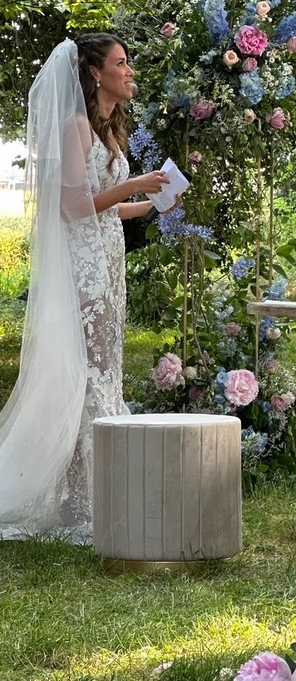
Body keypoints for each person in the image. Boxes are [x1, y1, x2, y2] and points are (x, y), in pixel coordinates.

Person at [0, 33, 172, 538]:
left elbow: (106, 205)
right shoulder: (76, 126)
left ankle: (97, 495)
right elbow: (72, 206)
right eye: (121, 63)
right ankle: (83, 506)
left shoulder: (106, 128)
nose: (130, 71)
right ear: (95, 73)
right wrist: (133, 184)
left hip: (107, 259)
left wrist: (152, 202)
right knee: (89, 378)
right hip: (83, 266)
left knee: (104, 371)